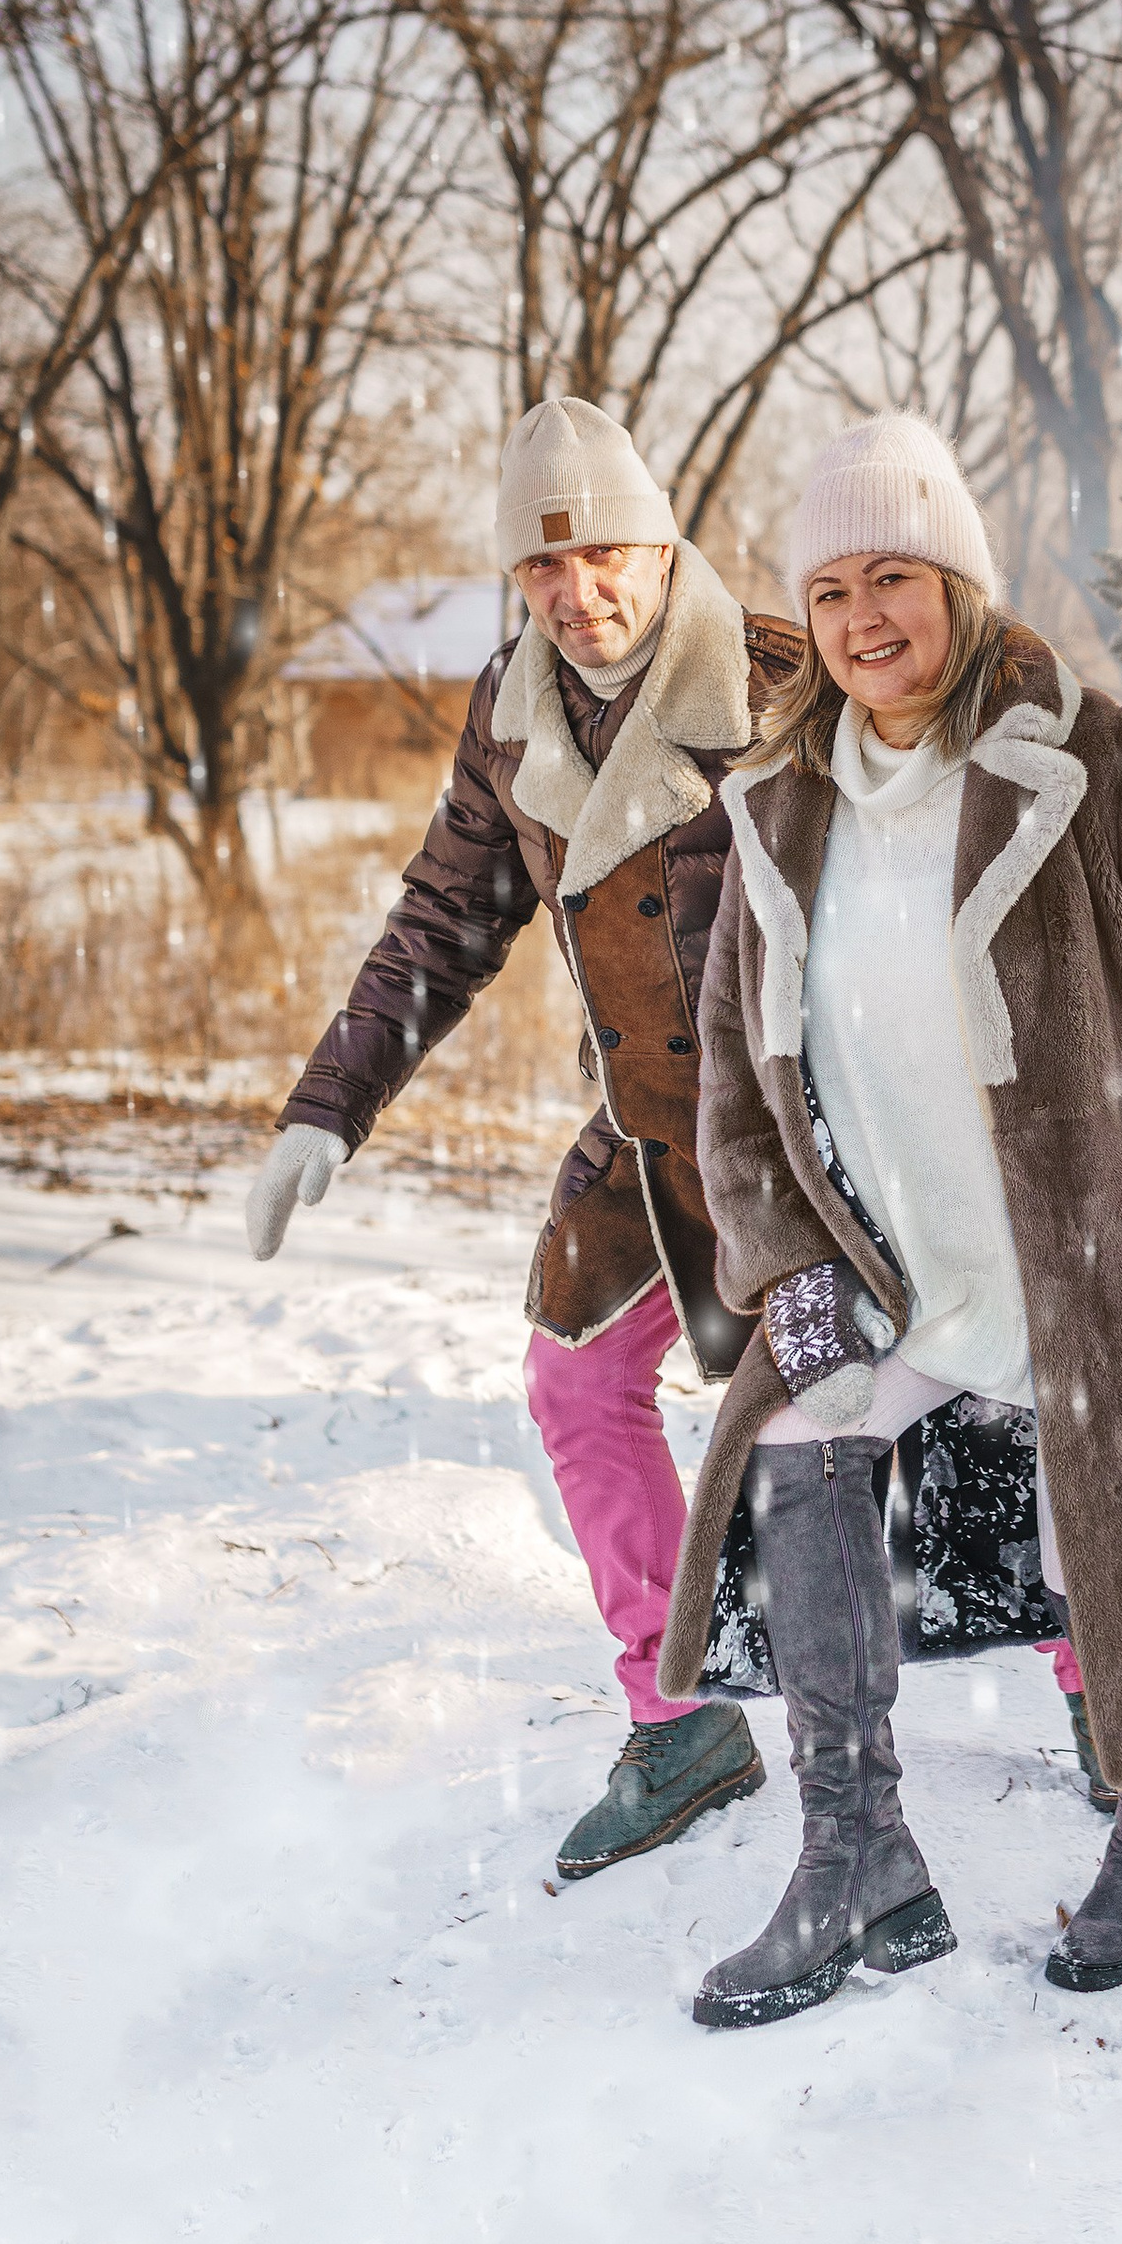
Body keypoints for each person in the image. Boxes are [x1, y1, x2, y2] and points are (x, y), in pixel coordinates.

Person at [653, 410, 1122, 2028]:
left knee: (1113, 1516)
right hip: (903, 1261)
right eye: (828, 590)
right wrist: (785, 1270)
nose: (861, 618)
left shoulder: (1102, 768)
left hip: (1101, 1248)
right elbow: (740, 1094)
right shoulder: (784, 814)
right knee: (799, 1451)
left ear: (958, 580)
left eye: (893, 574)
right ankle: (857, 1856)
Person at [243, 400, 807, 1880]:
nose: (580, 594)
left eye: (605, 553)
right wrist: (328, 1107)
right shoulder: (514, 706)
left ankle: (1098, 1685)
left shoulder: (781, 682)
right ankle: (679, 1711)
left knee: (939, 1400)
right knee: (575, 1378)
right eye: (543, 571)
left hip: (820, 1138)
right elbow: (440, 923)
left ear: (660, 537)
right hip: (647, 1126)